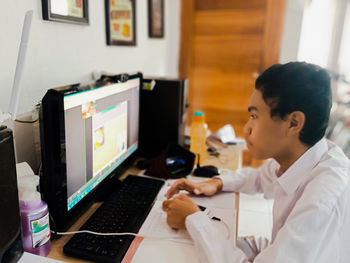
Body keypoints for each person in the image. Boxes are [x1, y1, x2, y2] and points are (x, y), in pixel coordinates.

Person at [162, 62, 350, 263]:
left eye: (254, 116)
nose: (246, 128)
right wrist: (215, 183)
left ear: (293, 123)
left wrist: (193, 219)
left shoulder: (321, 200)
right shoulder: (306, 155)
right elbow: (260, 177)